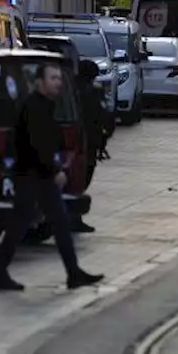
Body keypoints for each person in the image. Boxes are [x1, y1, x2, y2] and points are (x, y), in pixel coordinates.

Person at [0, 63, 104, 292]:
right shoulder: (34, 107)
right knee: (21, 224)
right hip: (31, 176)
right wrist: (55, 170)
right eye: (53, 78)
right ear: (40, 82)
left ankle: (73, 273)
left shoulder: (46, 106)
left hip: (40, 176)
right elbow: (36, 145)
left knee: (59, 222)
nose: (58, 82)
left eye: (59, 78)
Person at [74, 59, 106, 233]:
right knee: (82, 179)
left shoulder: (69, 90)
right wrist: (104, 137)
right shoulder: (91, 93)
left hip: (73, 141)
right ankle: (74, 217)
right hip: (87, 142)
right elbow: (102, 116)